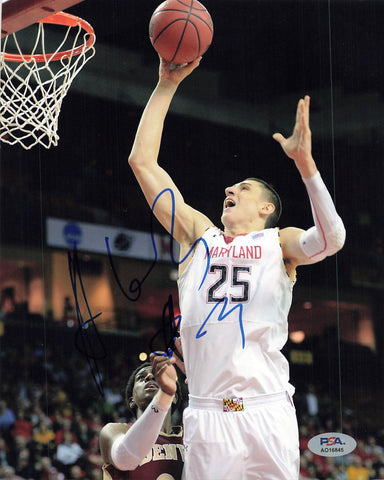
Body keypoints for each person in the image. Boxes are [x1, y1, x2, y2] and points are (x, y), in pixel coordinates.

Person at [127, 57, 346, 480]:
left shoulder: (279, 243)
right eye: (231, 186)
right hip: (209, 414)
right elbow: (142, 163)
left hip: (267, 408)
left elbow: (331, 239)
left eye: (243, 189)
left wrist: (306, 165)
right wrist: (166, 84)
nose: (230, 189)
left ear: (266, 208)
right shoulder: (196, 236)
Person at [99, 353, 184, 479]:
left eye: (158, 376)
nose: (150, 376)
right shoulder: (115, 431)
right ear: (132, 400)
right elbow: (124, 458)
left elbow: (225, 410)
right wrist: (163, 397)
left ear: (174, 397)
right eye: (141, 377)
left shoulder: (189, 437)